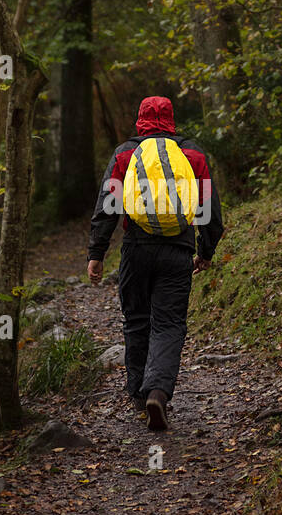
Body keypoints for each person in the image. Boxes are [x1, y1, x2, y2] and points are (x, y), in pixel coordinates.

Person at [87, 95, 224, 431]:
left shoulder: (125, 152)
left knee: (136, 319)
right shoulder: (191, 153)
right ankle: (158, 393)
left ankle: (137, 393)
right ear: (172, 119)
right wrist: (204, 251)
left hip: (136, 248)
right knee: (169, 323)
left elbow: (109, 204)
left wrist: (96, 252)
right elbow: (208, 208)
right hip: (177, 249)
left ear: (140, 120)